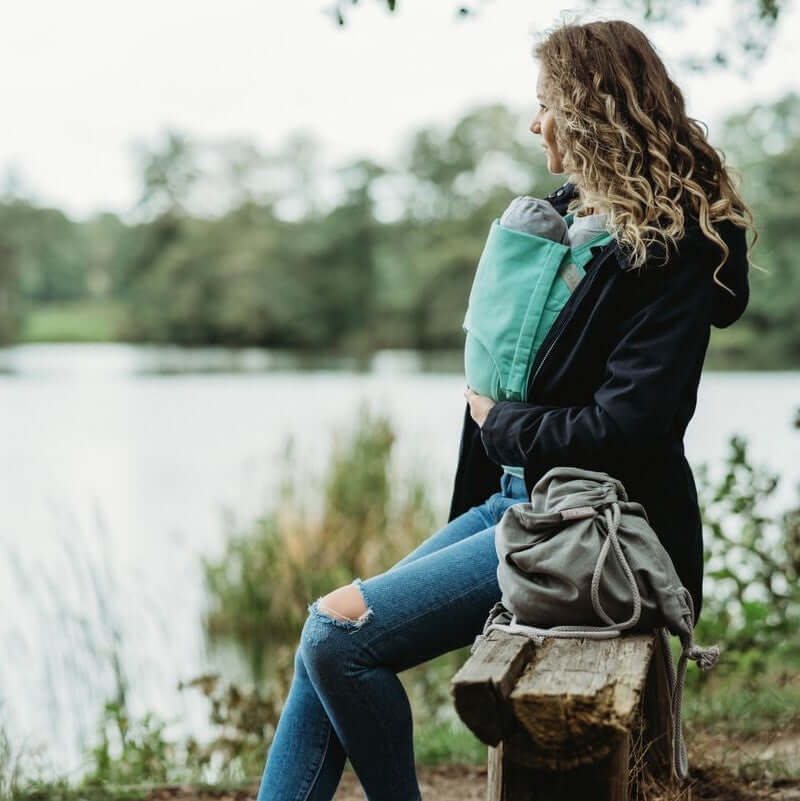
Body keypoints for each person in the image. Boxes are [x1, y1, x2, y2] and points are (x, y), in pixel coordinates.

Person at [256, 17, 757, 801]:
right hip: (521, 504)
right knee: (320, 643)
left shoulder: (670, 251)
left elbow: (628, 430)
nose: (534, 122)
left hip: (599, 523)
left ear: (592, 112)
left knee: (337, 634)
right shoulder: (574, 220)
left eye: (546, 103)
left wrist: (501, 422)